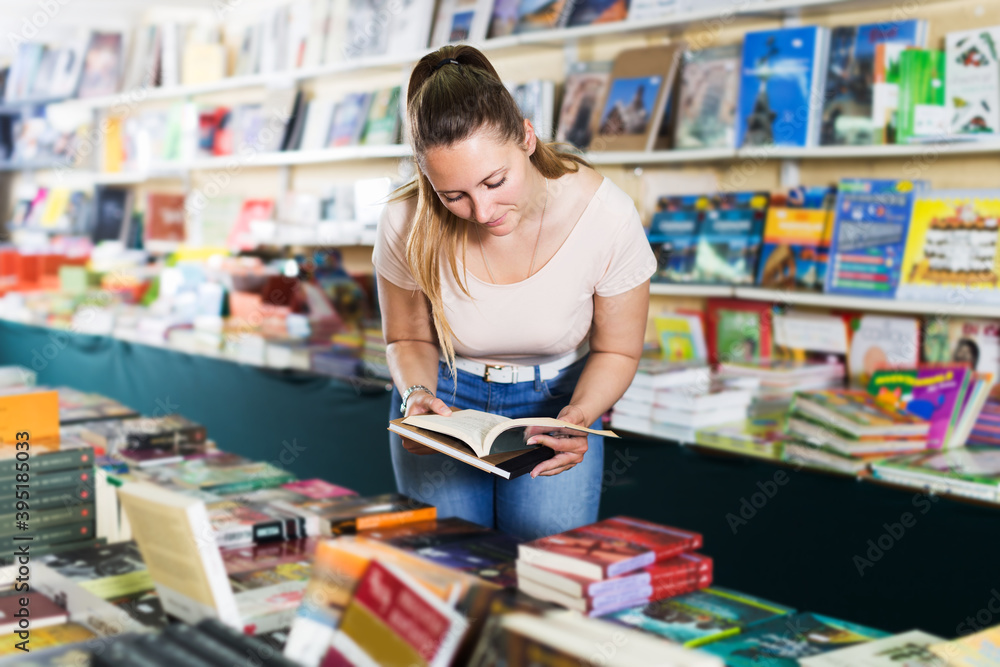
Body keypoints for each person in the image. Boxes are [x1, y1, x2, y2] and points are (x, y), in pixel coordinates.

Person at [372, 45, 655, 542]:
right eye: (452, 196)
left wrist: (580, 416)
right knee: (448, 567)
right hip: (445, 399)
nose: (482, 212)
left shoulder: (605, 215)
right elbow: (407, 338)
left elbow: (618, 349)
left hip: (557, 404)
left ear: (526, 136)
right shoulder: (405, 218)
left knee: (545, 571)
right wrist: (416, 397)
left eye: (495, 181)